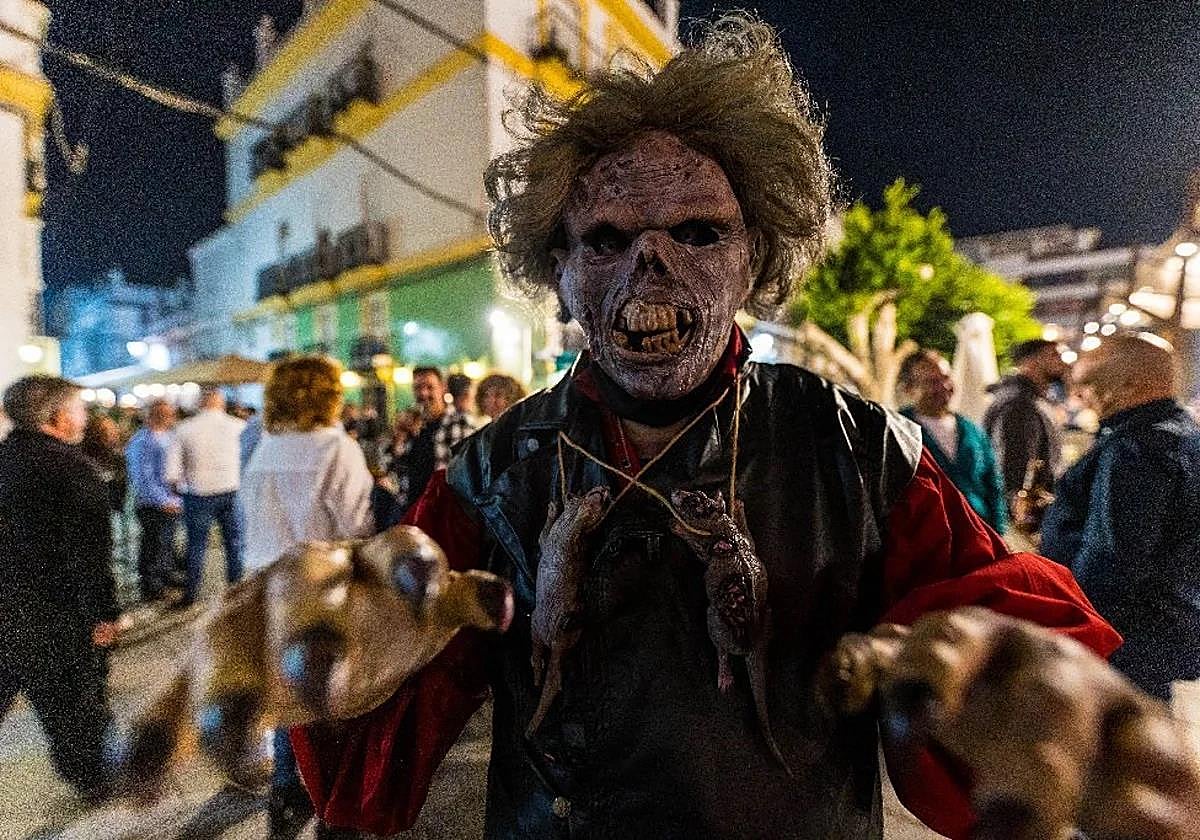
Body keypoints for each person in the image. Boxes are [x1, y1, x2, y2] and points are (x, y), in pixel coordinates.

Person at [126, 18, 1200, 839]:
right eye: (606, 235)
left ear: (754, 259)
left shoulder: (858, 446)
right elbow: (374, 774)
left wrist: (1006, 677)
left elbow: (988, 647)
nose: (652, 264)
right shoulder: (493, 468)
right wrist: (344, 671)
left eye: (698, 230)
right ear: (560, 273)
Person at [241, 356, 374, 840]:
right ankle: (334, 815)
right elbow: (356, 530)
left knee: (289, 705)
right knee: (335, 710)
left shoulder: (265, 449)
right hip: (322, 593)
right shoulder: (337, 448)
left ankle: (286, 796)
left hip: (266, 592)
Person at [1041, 332, 1200, 701]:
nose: (1082, 395)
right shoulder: (1183, 434)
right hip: (1164, 628)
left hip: (1123, 639)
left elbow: (1112, 560)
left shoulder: (1136, 447)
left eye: (1091, 383)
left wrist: (1074, 628)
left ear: (1131, 383)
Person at [0, 376, 119, 803]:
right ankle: (97, 780)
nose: (84, 418)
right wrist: (103, 612)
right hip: (55, 611)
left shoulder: (5, 459)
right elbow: (89, 551)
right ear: (56, 416)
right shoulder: (70, 468)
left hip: (7, 606)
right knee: (74, 702)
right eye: (79, 409)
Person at [899, 349, 1008, 533]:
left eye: (946, 377)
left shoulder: (972, 431)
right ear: (910, 389)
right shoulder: (898, 430)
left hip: (978, 534)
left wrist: (998, 531)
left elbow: (993, 485)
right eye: (932, 382)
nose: (943, 386)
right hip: (926, 538)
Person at [169, 386, 246, 606]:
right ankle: (236, 593)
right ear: (221, 403)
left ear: (200, 403)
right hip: (231, 490)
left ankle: (191, 594)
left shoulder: (184, 428)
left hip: (197, 493)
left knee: (196, 545)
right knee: (234, 543)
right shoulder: (238, 427)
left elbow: (171, 473)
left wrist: (178, 490)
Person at [983, 338, 1069, 532]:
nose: (1061, 361)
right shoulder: (1019, 404)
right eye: (1053, 355)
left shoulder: (1030, 400)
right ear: (1029, 362)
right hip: (1025, 520)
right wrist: (1023, 513)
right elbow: (1014, 466)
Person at [126, 400, 183, 602]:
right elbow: (142, 477)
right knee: (153, 545)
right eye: (165, 413)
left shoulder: (168, 436)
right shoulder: (141, 441)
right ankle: (151, 586)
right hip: (152, 504)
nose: (170, 417)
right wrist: (163, 500)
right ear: (153, 415)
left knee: (166, 543)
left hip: (172, 500)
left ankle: (165, 576)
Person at [406, 367, 477, 504]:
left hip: (441, 510)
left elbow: (467, 475)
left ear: (443, 388)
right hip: (412, 511)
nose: (423, 393)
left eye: (429, 387)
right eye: (418, 388)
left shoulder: (460, 423)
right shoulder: (413, 427)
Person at [83, 413, 129, 516]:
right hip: (92, 513)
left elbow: (122, 492)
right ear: (95, 434)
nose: (113, 435)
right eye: (107, 431)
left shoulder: (119, 460)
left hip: (114, 513)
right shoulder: (84, 459)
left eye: (114, 431)